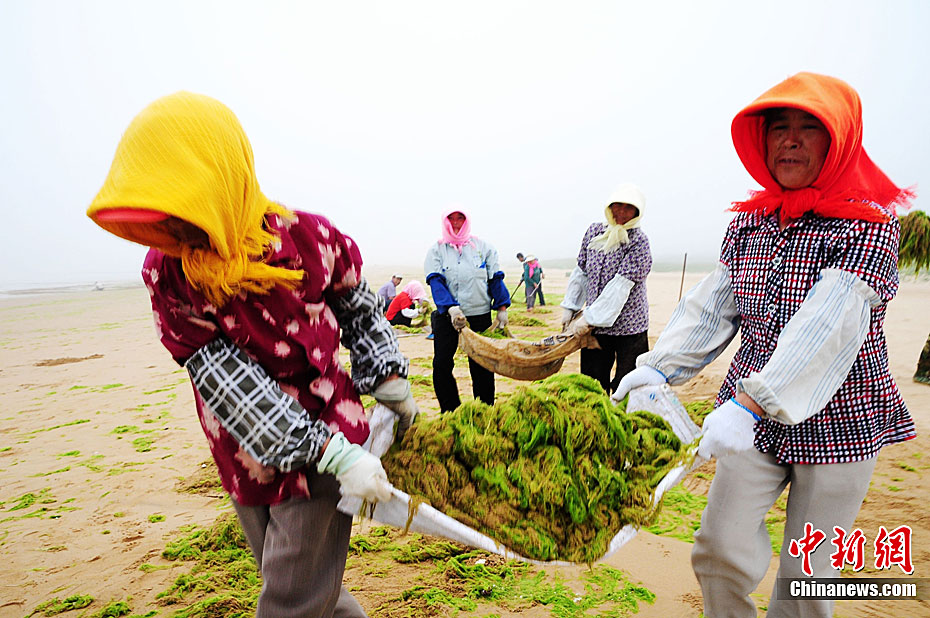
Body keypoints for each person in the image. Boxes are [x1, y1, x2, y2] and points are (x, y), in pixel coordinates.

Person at [86, 92, 419, 618]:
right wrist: (328, 451)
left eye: (184, 211)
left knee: (291, 597)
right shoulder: (170, 272)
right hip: (242, 444)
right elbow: (225, 380)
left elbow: (358, 308)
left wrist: (389, 379)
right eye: (163, 220)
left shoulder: (310, 239)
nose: (176, 234)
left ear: (223, 178)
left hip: (328, 430)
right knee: (292, 576)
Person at [612, 72, 915, 618]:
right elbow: (714, 303)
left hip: (839, 418)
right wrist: (656, 368)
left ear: (839, 141)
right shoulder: (752, 222)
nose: (790, 140)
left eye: (809, 128)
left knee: (808, 578)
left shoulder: (869, 226)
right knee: (718, 549)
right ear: (762, 139)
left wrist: (753, 403)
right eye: (779, 127)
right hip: (749, 420)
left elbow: (828, 326)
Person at [560, 183, 652, 394]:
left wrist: (588, 319)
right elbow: (582, 271)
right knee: (593, 383)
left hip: (630, 327)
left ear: (637, 212)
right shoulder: (594, 232)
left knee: (628, 384)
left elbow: (620, 288)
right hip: (597, 329)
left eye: (628, 208)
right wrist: (570, 306)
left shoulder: (638, 242)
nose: (621, 212)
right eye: (617, 205)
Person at [425, 208, 510, 412]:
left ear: (467, 221)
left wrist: (502, 307)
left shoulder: (483, 248)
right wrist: (450, 308)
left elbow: (494, 278)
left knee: (482, 365)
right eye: (451, 219)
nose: (456, 223)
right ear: (445, 222)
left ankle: (483, 409)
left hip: (479, 315)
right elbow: (436, 282)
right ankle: (450, 410)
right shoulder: (437, 250)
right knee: (442, 365)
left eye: (460, 218)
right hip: (448, 317)